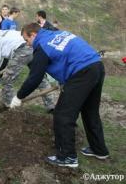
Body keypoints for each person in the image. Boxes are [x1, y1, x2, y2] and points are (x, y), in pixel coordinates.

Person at [10, 23, 109, 168]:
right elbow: (66, 55)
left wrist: (19, 96)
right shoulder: (57, 34)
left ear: (33, 35)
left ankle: (67, 157)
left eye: (27, 40)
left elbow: (35, 78)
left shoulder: (41, 46)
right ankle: (99, 149)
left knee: (62, 115)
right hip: (96, 66)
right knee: (90, 112)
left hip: (81, 73)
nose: (28, 44)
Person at [0, 27, 54, 111]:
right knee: (39, 77)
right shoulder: (3, 33)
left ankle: (9, 106)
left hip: (22, 50)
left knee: (7, 80)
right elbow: (3, 59)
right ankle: (50, 105)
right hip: (32, 47)